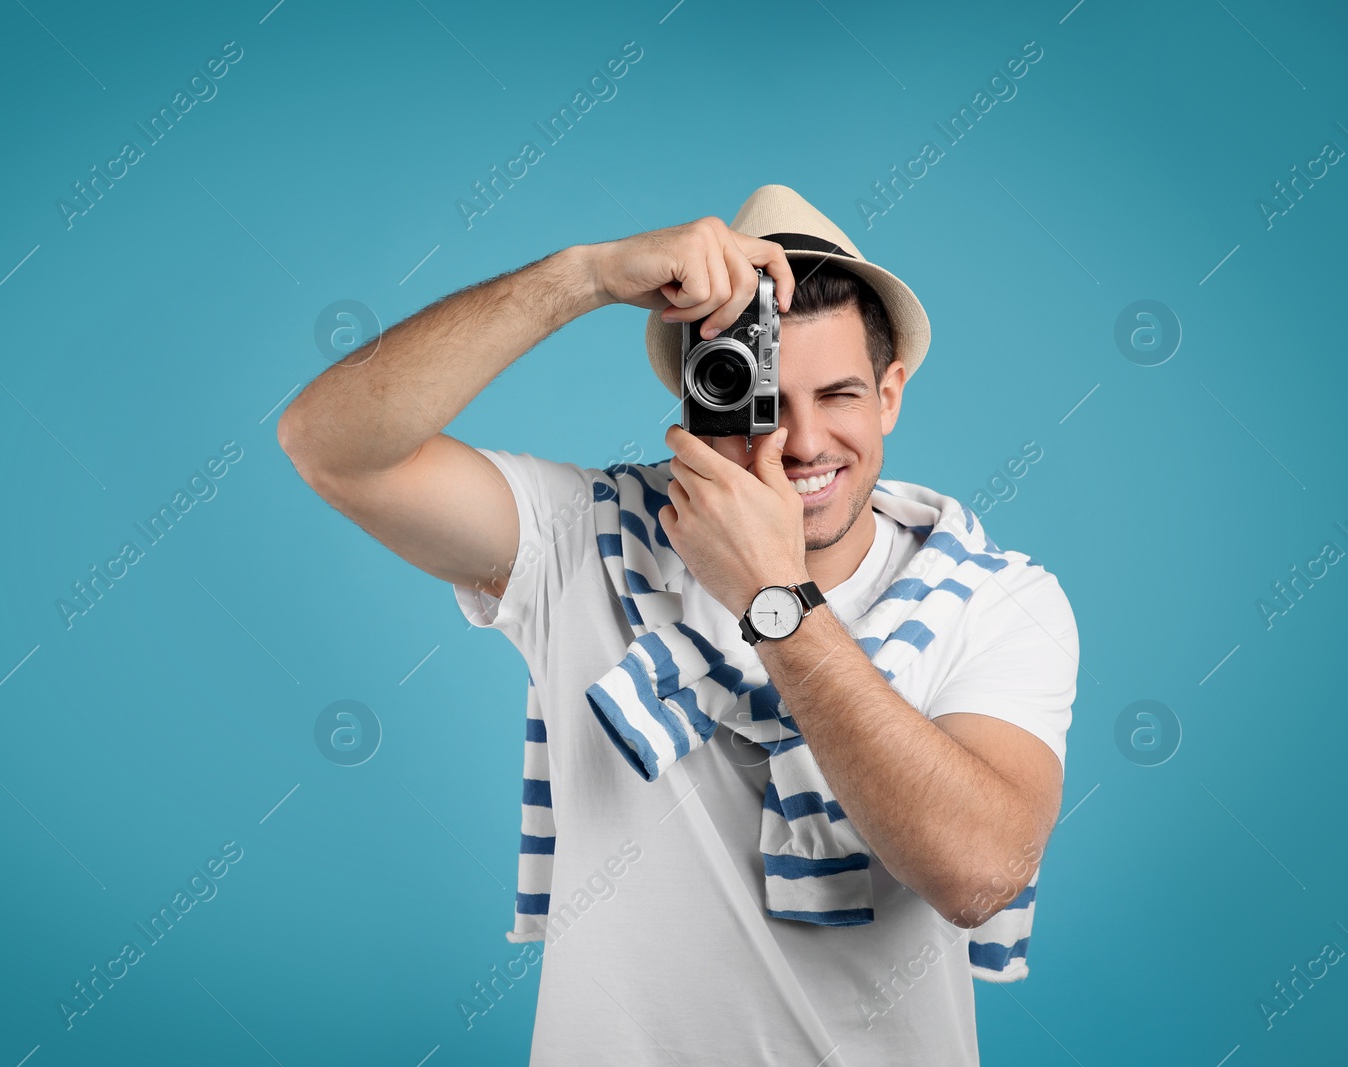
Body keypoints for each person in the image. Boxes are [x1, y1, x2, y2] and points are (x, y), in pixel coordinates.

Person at [278, 184, 1079, 1066]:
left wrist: (773, 597)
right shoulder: (582, 540)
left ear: (890, 394)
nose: (802, 442)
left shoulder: (994, 597)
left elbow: (977, 872)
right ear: (702, 396)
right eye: (759, 394)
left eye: (840, 394)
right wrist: (579, 277)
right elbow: (330, 443)